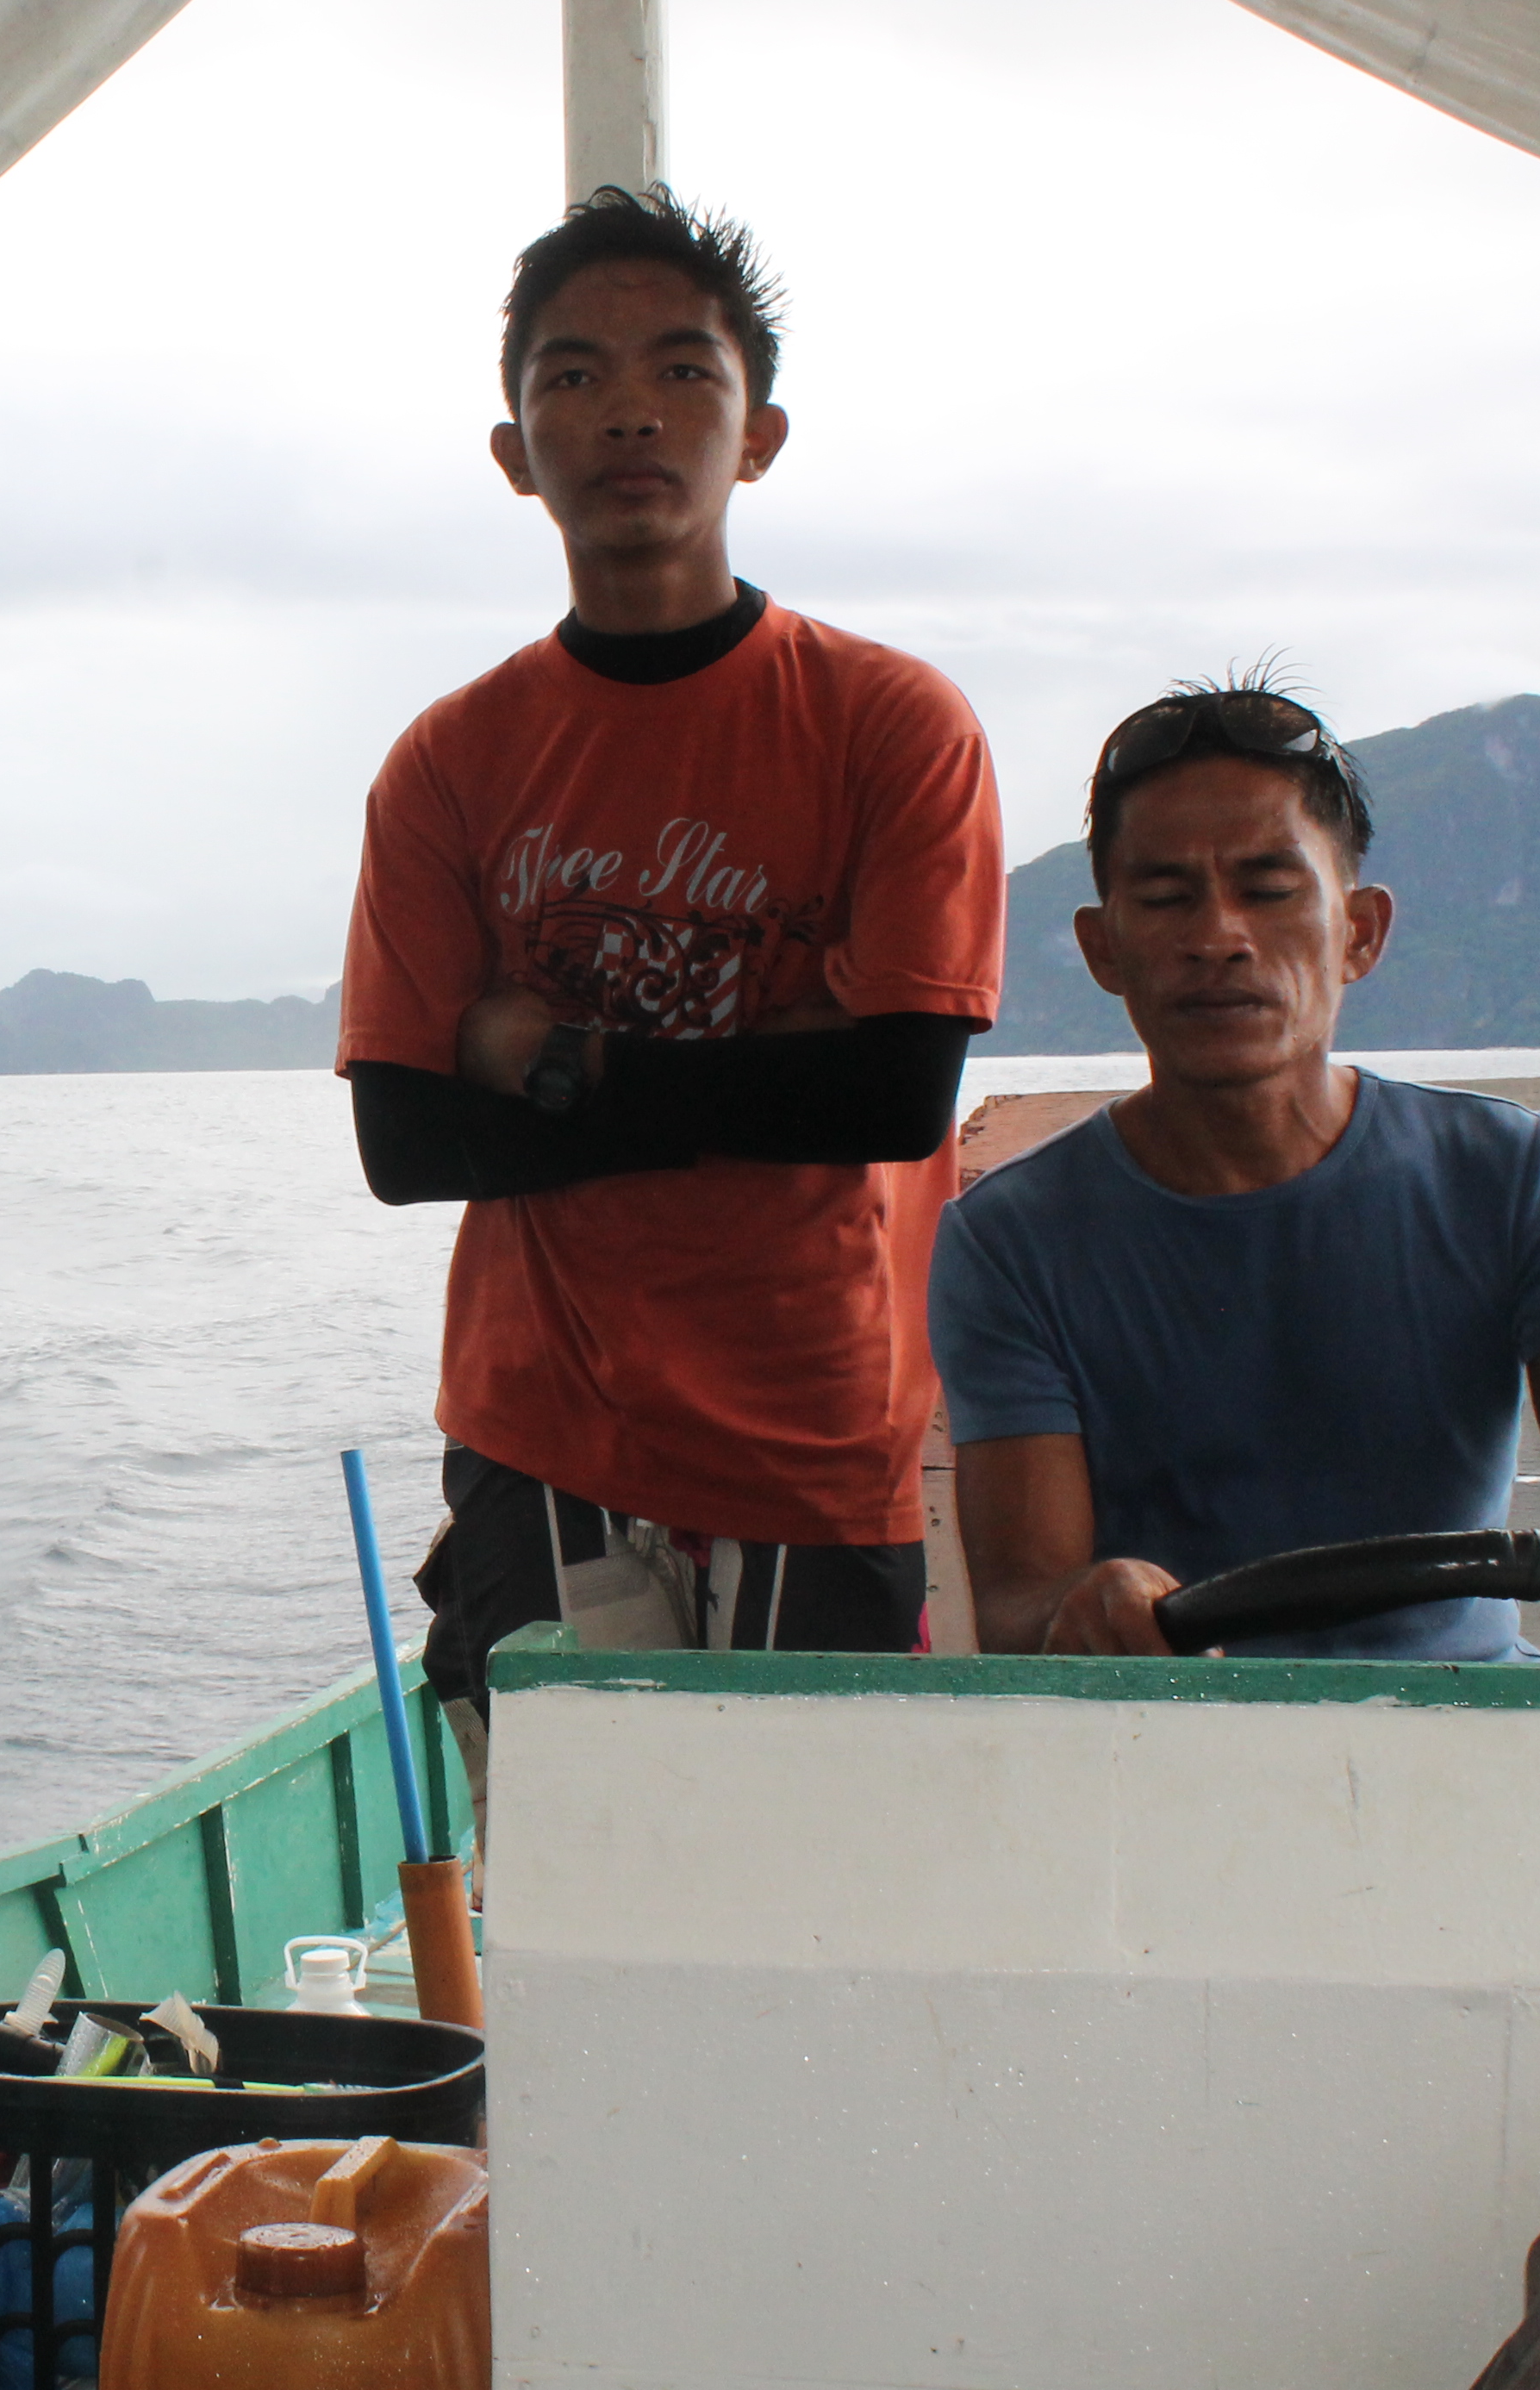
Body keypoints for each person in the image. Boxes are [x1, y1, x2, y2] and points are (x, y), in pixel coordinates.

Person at [339, 188, 1006, 1830]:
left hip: (815, 1435)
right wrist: (762, 1071)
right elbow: (406, 1141)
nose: (627, 411)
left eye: (680, 371)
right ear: (514, 452)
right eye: (571, 376)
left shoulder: (890, 724)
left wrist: (541, 1054)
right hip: (540, 1428)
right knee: (572, 1892)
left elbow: (888, 1101)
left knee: (817, 1886)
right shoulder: (449, 762)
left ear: (756, 434)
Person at [929, 677, 1540, 1662]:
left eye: (1269, 891)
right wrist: (1087, 1606)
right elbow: (1019, 1607)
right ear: (1103, 949)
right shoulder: (1009, 1238)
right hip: (1175, 1734)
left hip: (1485, 1727)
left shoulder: (1514, 1174)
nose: (1218, 937)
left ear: (1359, 931)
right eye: (1166, 897)